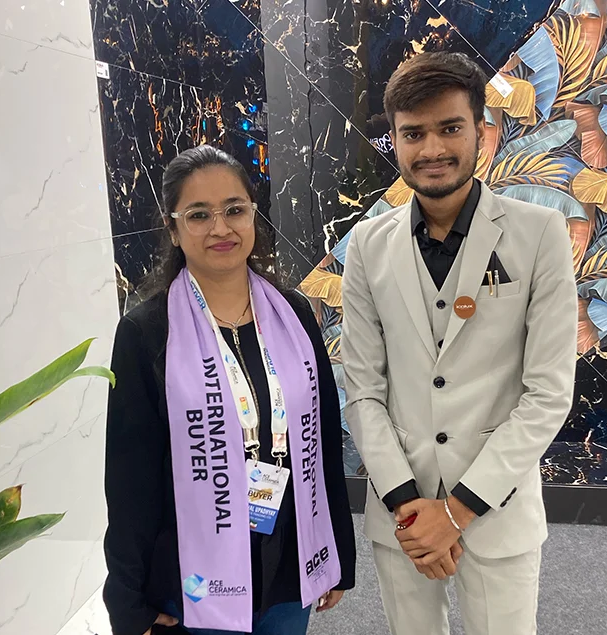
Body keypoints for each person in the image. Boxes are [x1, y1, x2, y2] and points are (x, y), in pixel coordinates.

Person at [341, 52, 578, 635]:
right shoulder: (367, 245)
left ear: (479, 129)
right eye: (412, 133)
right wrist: (408, 505)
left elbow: (548, 393)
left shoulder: (539, 233)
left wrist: (458, 510)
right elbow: (363, 389)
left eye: (450, 128)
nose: (432, 149)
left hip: (497, 506)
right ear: (395, 140)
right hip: (402, 510)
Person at [104, 145, 356, 635]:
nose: (220, 228)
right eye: (199, 215)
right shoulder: (146, 333)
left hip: (289, 562)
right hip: (193, 580)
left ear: (253, 216)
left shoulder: (293, 314)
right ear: (173, 229)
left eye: (234, 210)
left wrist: (338, 554)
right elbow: (129, 479)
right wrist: (127, 601)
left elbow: (324, 439)